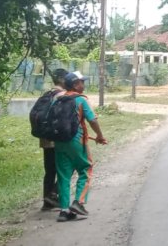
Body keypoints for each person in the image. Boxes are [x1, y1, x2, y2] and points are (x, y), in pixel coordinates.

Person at [54, 71, 108, 222]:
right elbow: (92, 120)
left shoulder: (58, 99)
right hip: (77, 141)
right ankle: (79, 202)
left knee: (63, 175)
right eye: (81, 82)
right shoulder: (81, 100)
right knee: (86, 169)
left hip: (59, 142)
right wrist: (100, 136)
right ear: (75, 84)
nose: (83, 84)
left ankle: (64, 211)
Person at [40, 68, 68, 211]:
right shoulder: (63, 95)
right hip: (57, 137)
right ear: (63, 80)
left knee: (50, 170)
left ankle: (46, 202)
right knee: (66, 167)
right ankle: (55, 195)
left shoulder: (47, 93)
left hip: (45, 137)